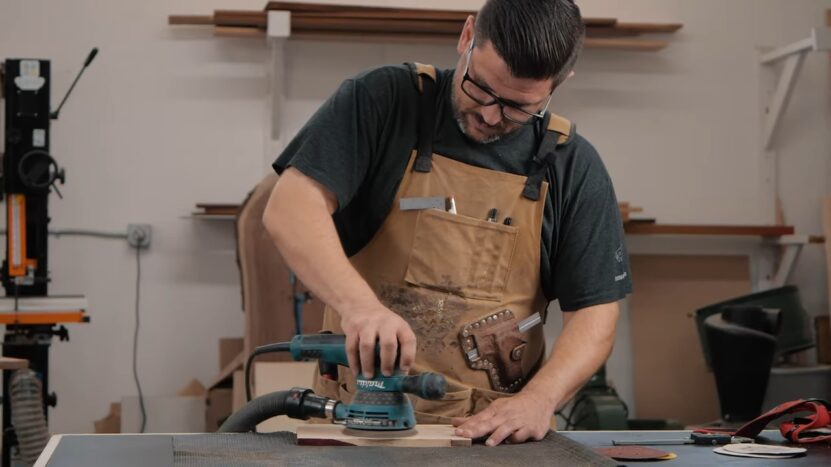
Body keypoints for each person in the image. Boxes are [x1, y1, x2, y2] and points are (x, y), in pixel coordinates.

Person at [264, 0, 631, 446]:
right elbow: (291, 207)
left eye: (519, 107)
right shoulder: (385, 101)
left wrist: (541, 398)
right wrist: (360, 307)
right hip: (357, 424)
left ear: (561, 82)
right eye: (480, 89)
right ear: (467, 36)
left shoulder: (571, 164)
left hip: (493, 441)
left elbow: (595, 314)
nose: (490, 115)